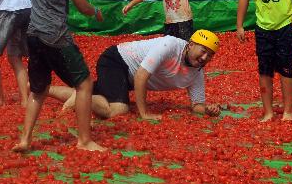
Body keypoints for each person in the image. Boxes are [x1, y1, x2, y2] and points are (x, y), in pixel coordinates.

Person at [13, 0, 105, 152]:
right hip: (56, 39)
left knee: (38, 90)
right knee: (84, 84)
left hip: (33, 37)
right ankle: (84, 140)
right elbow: (81, 6)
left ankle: (25, 139)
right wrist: (95, 12)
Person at [52, 30, 222, 120]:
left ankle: (45, 90)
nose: (205, 58)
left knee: (98, 91)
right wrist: (144, 113)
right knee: (119, 109)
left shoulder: (197, 73)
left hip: (128, 78)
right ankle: (80, 100)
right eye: (203, 51)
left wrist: (208, 109)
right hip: (117, 60)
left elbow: (197, 105)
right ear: (190, 45)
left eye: (210, 55)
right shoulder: (170, 45)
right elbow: (142, 76)